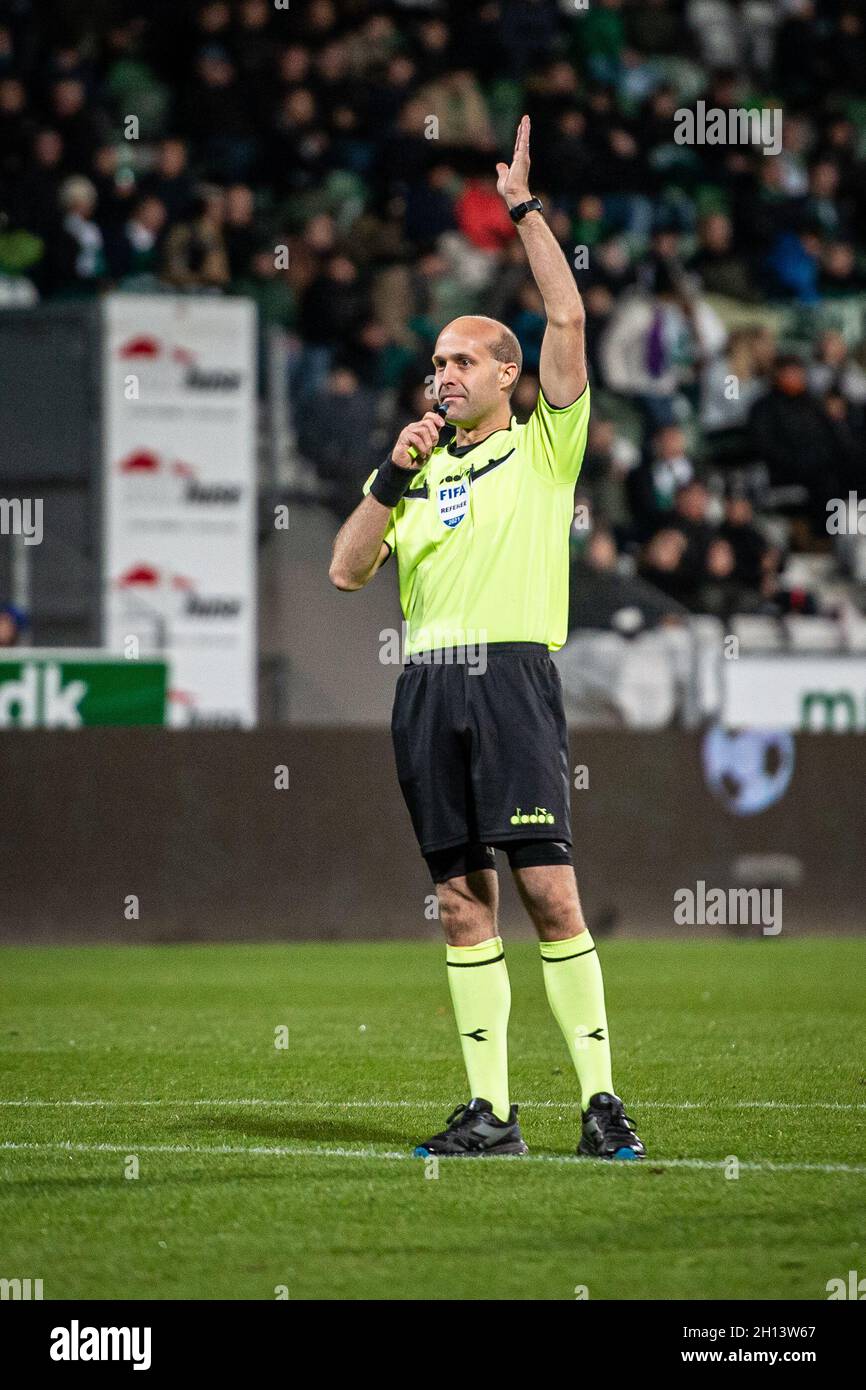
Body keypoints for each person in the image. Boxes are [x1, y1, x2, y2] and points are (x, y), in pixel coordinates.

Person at [328, 117, 645, 1162]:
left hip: (510, 677)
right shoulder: (416, 475)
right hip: (426, 687)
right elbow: (344, 567)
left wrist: (519, 210)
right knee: (461, 901)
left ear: (507, 375)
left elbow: (564, 310)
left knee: (546, 885)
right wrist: (391, 469)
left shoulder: (545, 444)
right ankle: (488, 1114)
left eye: (462, 359)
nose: (443, 373)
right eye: (435, 361)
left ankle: (599, 1101)